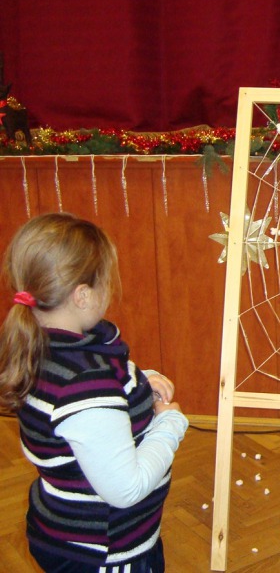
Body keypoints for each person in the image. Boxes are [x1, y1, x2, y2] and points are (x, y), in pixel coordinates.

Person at [0, 213, 189, 572]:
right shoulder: (86, 384)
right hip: (107, 550)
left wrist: (139, 382)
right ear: (83, 296)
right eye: (105, 282)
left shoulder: (40, 347)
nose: (110, 290)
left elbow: (82, 405)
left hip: (64, 530)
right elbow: (126, 489)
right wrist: (170, 425)